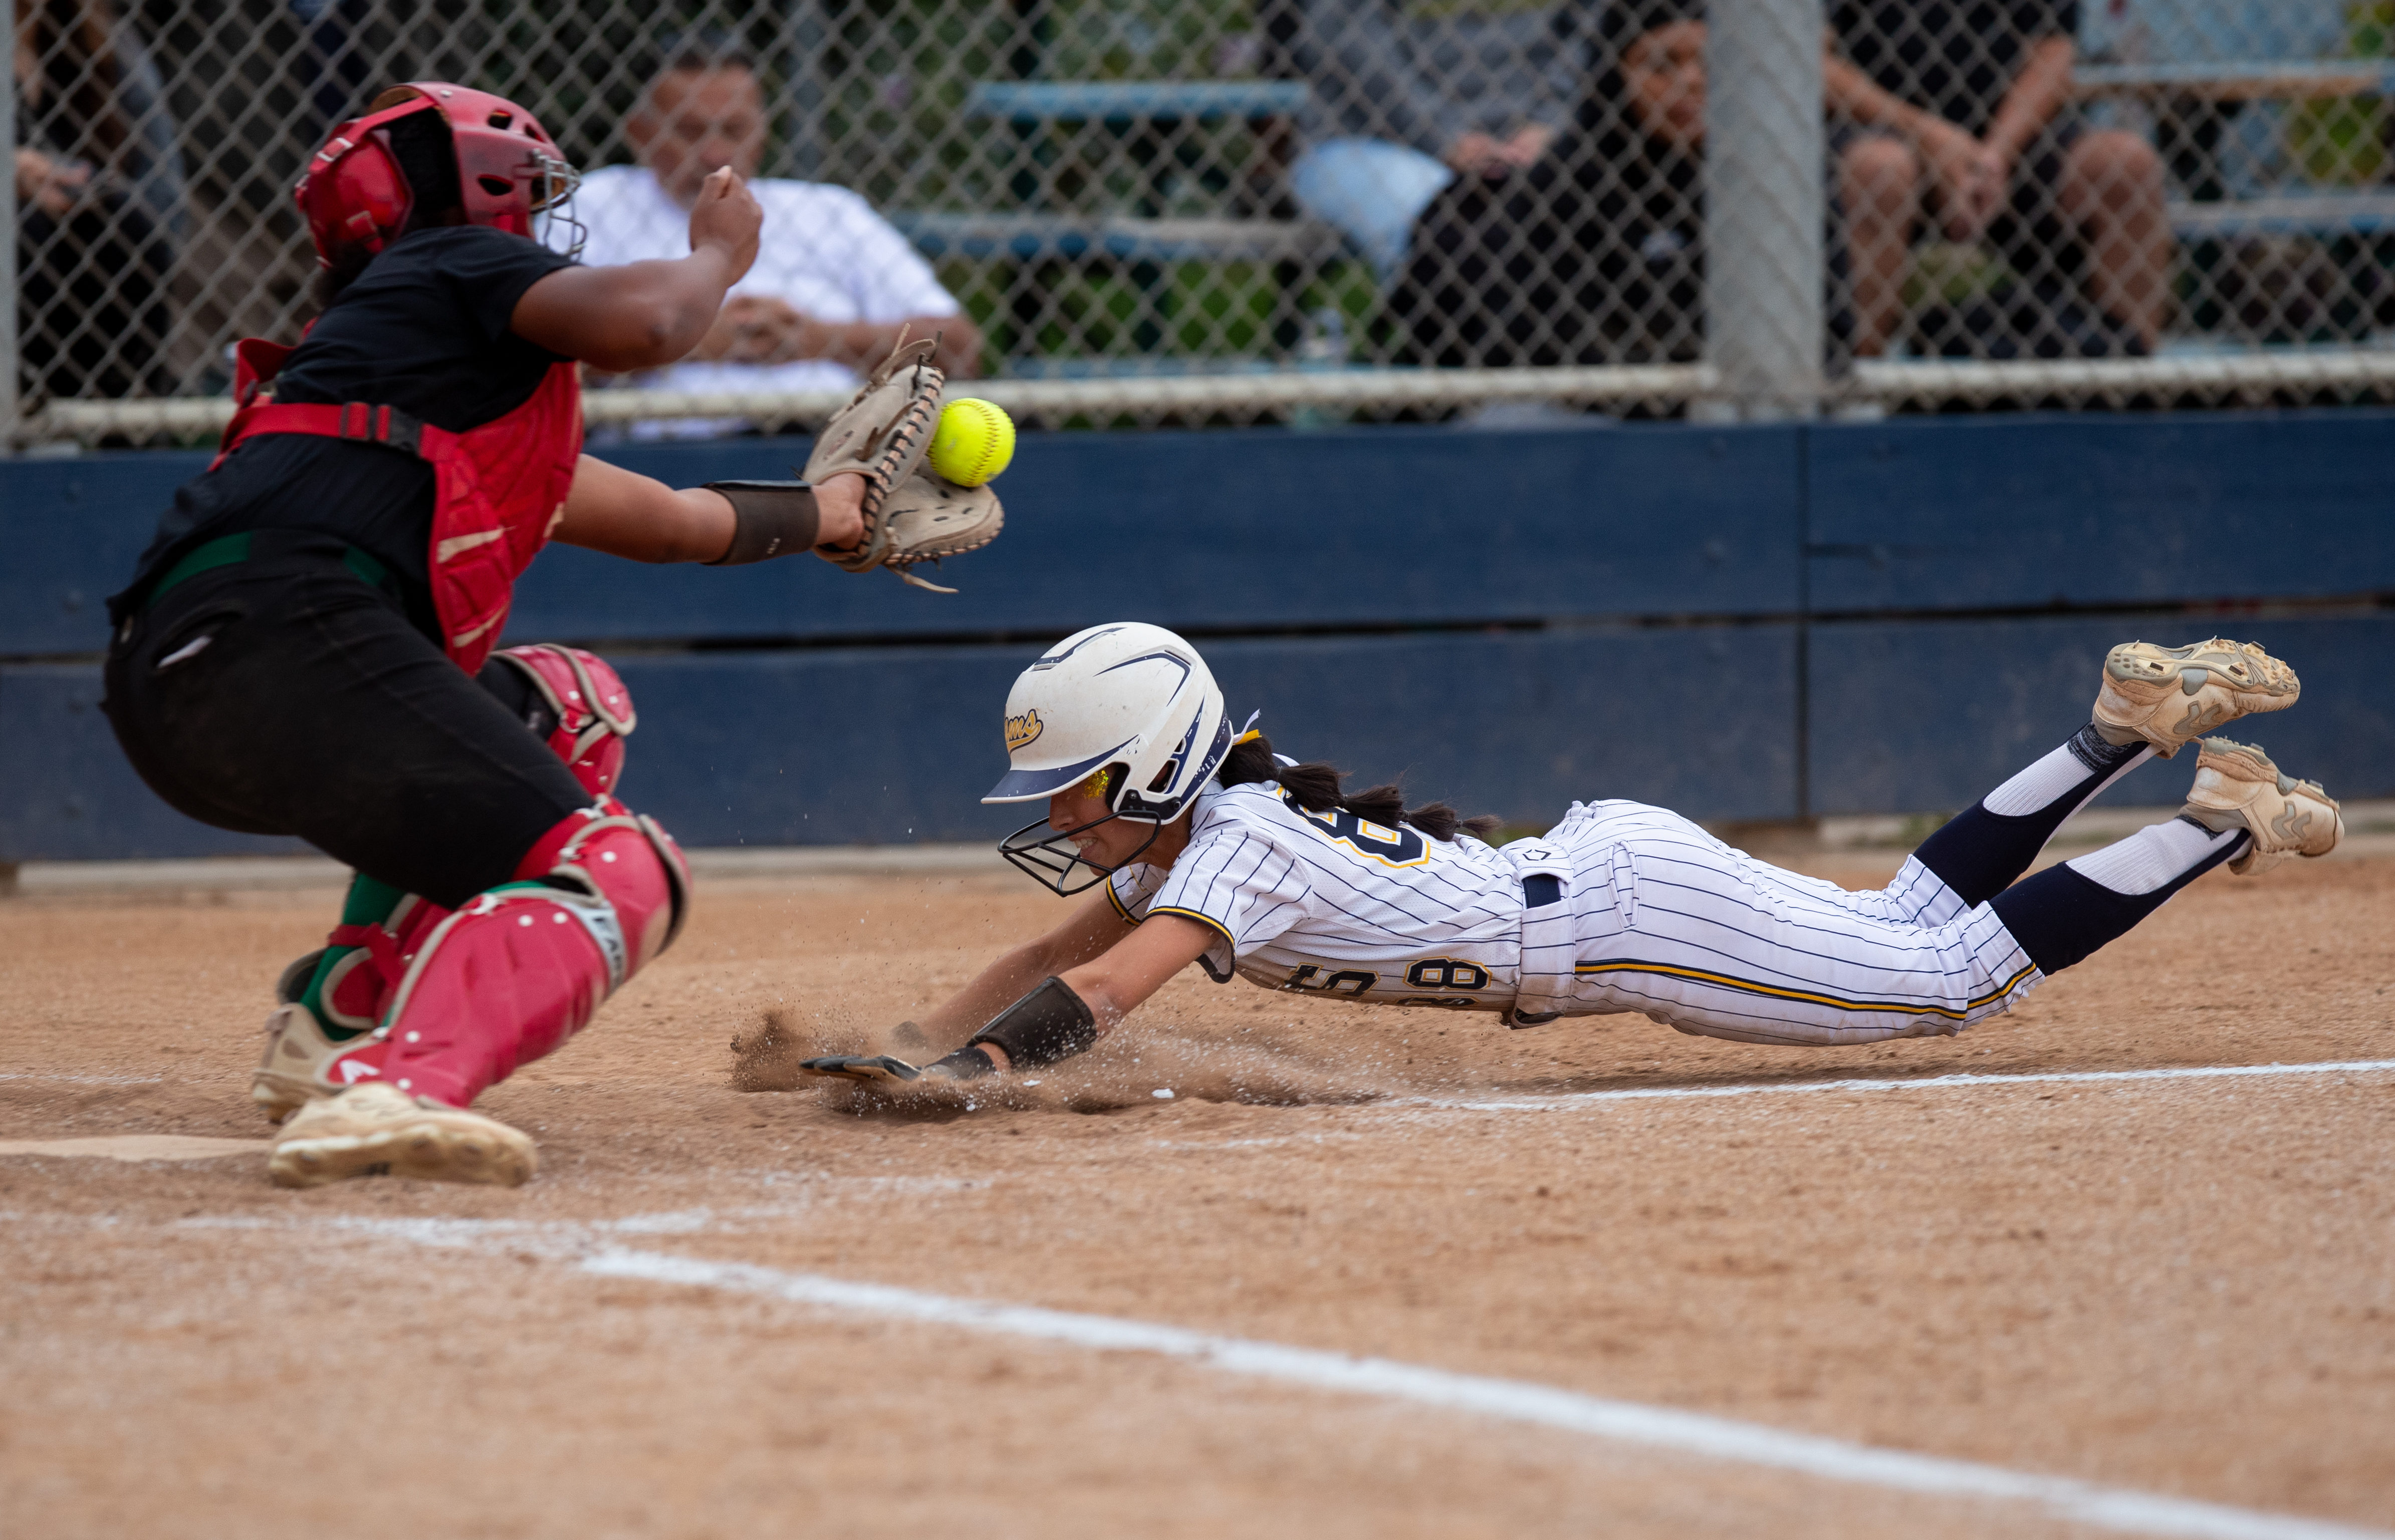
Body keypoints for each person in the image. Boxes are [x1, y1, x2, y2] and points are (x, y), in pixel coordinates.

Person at [101, 81, 992, 1189]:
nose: (539, 221)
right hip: (289, 638)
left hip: (188, 686)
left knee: (570, 702)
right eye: (525, 195)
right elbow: (654, 323)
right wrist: (719, 255)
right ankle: (403, 1083)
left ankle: (336, 1024)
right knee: (620, 870)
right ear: (474, 201)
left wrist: (829, 513)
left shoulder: (408, 370)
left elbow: (672, 524)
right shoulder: (443, 266)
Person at [802, 626, 2338, 1087]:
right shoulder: (1208, 827)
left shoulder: (1236, 845)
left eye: (1079, 788)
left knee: (1945, 978)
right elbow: (1054, 954)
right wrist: (920, 1038)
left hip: (1616, 921)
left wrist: (988, 1078)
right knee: (1915, 915)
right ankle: (2115, 731)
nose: (1065, 817)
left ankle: (2217, 817)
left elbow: (1116, 991)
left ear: (1149, 767)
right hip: (1609, 881)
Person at [572, 35, 981, 439]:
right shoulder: (589, 206)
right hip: (666, 453)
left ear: (763, 131)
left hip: (830, 442)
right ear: (639, 133)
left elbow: (959, 346)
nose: (715, 153)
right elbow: (536, 356)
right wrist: (685, 340)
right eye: (691, 131)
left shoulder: (828, 209)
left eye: (734, 130)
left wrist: (819, 339)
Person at [1825, 0, 2171, 356]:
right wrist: (1930, 137)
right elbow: (1816, 63)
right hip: (1875, 128)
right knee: (1881, 169)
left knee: (2128, 166)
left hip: (2006, 136)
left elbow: (2053, 51)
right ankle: (1856, 393)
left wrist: (1994, 156)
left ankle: (2127, 385)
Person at [1388, 0, 1704, 371]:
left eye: (1709, 64)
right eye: (1662, 65)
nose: (1691, 81)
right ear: (1618, 73)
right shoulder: (1568, 187)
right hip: (1561, 401)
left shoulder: (1739, 178)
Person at [1264, 0, 1595, 278]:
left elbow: (1599, 33)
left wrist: (1548, 125)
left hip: (1540, 142)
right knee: (1448, 229)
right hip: (1370, 140)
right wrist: (1444, 137)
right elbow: (1347, 37)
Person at [13, 0, 184, 400]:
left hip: (80, 238)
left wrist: (93, 186)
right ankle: (22, 409)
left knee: (127, 227)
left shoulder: (96, 36)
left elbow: (162, 186)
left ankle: (119, 423)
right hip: (25, 239)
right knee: (28, 233)